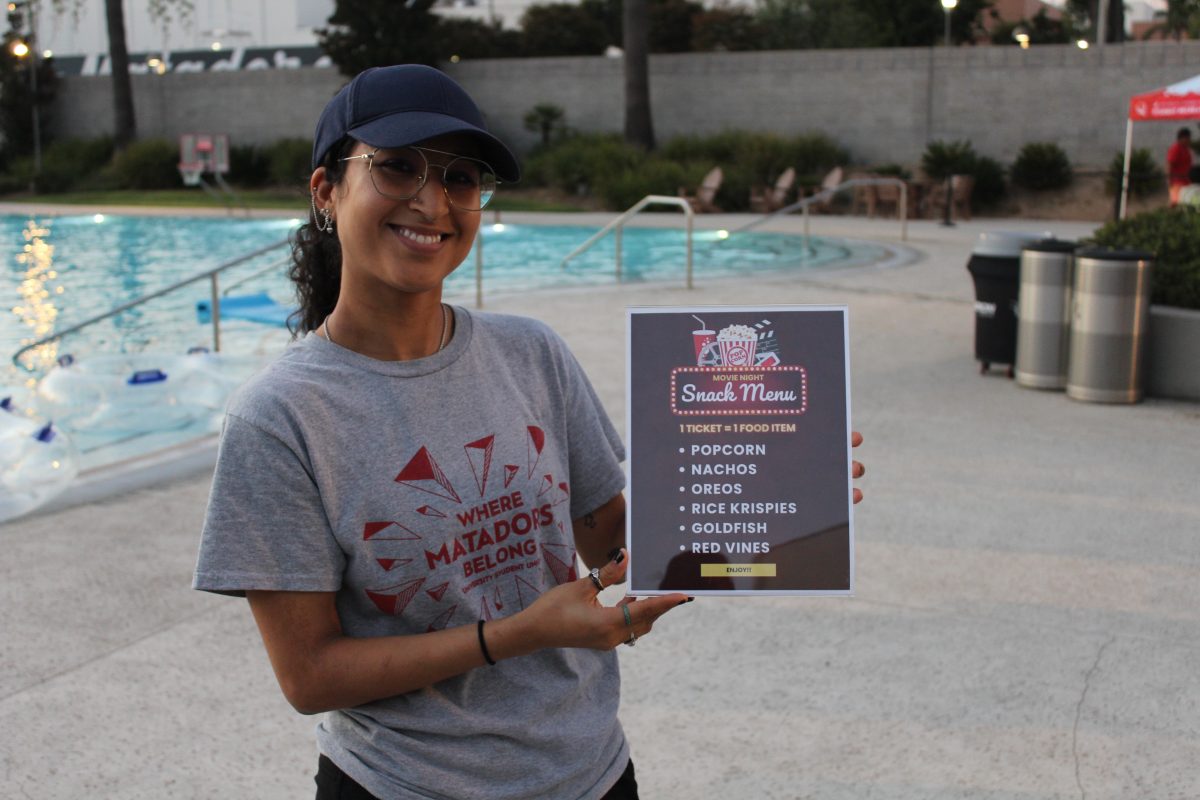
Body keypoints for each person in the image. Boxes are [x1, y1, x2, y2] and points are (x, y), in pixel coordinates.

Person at [193, 64, 865, 800]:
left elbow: (612, 541)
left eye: (461, 177)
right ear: (326, 190)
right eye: (396, 167)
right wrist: (517, 635)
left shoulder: (530, 352)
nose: (432, 200)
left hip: (591, 772)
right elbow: (309, 675)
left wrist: (761, 494)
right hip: (405, 787)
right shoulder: (281, 418)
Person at [1167, 127, 1193, 206]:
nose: (1189, 140)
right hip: (1177, 181)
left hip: (1185, 180)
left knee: (1185, 201)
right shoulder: (1176, 148)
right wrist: (1169, 180)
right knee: (1175, 202)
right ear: (1182, 138)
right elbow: (1169, 164)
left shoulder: (1185, 149)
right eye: (1187, 138)